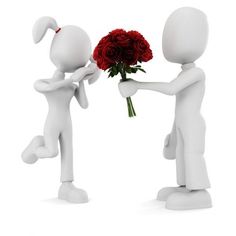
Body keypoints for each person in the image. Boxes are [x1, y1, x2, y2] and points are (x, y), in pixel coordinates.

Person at [118, 7, 212, 210]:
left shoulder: (197, 73)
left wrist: (138, 86)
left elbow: (171, 89)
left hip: (193, 124)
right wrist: (173, 132)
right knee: (181, 153)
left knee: (192, 155)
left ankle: (199, 193)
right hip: (183, 123)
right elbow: (180, 107)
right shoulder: (183, 74)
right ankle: (186, 187)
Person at [22, 17, 100, 203]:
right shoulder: (48, 82)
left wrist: (81, 79)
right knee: (51, 152)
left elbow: (84, 104)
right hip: (53, 122)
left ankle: (67, 184)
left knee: (68, 151)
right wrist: (72, 79)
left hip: (67, 122)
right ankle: (35, 146)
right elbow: (47, 88)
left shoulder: (72, 85)